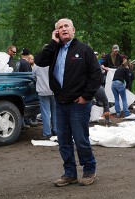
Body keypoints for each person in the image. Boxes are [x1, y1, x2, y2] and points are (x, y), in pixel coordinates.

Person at [34, 18, 102, 187]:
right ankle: (70, 173)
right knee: (63, 140)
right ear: (56, 32)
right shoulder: (53, 50)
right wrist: (52, 42)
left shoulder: (84, 49)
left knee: (80, 139)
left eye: (66, 26)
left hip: (78, 103)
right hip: (60, 103)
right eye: (60, 27)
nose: (63, 29)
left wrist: (86, 96)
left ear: (73, 30)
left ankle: (89, 170)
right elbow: (40, 61)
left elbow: (96, 75)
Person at [32, 60, 57, 140]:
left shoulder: (37, 64)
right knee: (55, 111)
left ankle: (47, 133)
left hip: (42, 90)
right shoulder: (55, 62)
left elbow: (34, 76)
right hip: (54, 90)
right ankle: (56, 130)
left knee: (45, 113)